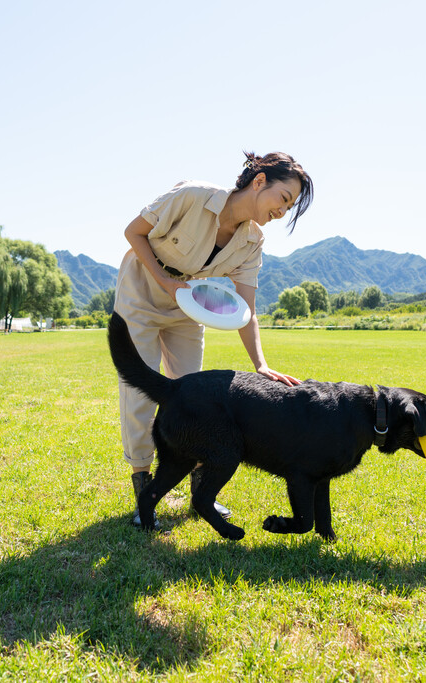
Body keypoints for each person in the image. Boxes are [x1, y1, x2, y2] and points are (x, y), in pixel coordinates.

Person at [115, 151, 314, 528]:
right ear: (259, 182)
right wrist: (166, 283)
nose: (283, 212)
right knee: (141, 394)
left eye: (290, 207)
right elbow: (133, 232)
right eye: (284, 199)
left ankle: (201, 492)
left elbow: (247, 309)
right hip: (141, 293)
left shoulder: (253, 241)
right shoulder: (192, 195)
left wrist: (261, 365)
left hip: (186, 306)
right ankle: (145, 491)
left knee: (195, 401)